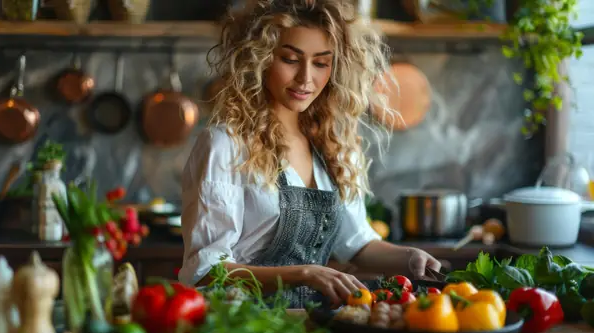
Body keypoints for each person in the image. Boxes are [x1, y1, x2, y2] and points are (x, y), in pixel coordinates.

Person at [179, 0, 441, 308]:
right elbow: (207, 270)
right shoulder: (226, 145)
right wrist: (304, 273)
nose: (306, 78)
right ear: (261, 59)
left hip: (313, 324)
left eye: (320, 63)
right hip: (243, 323)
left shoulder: (332, 145)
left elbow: (355, 244)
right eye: (290, 59)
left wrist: (409, 258)